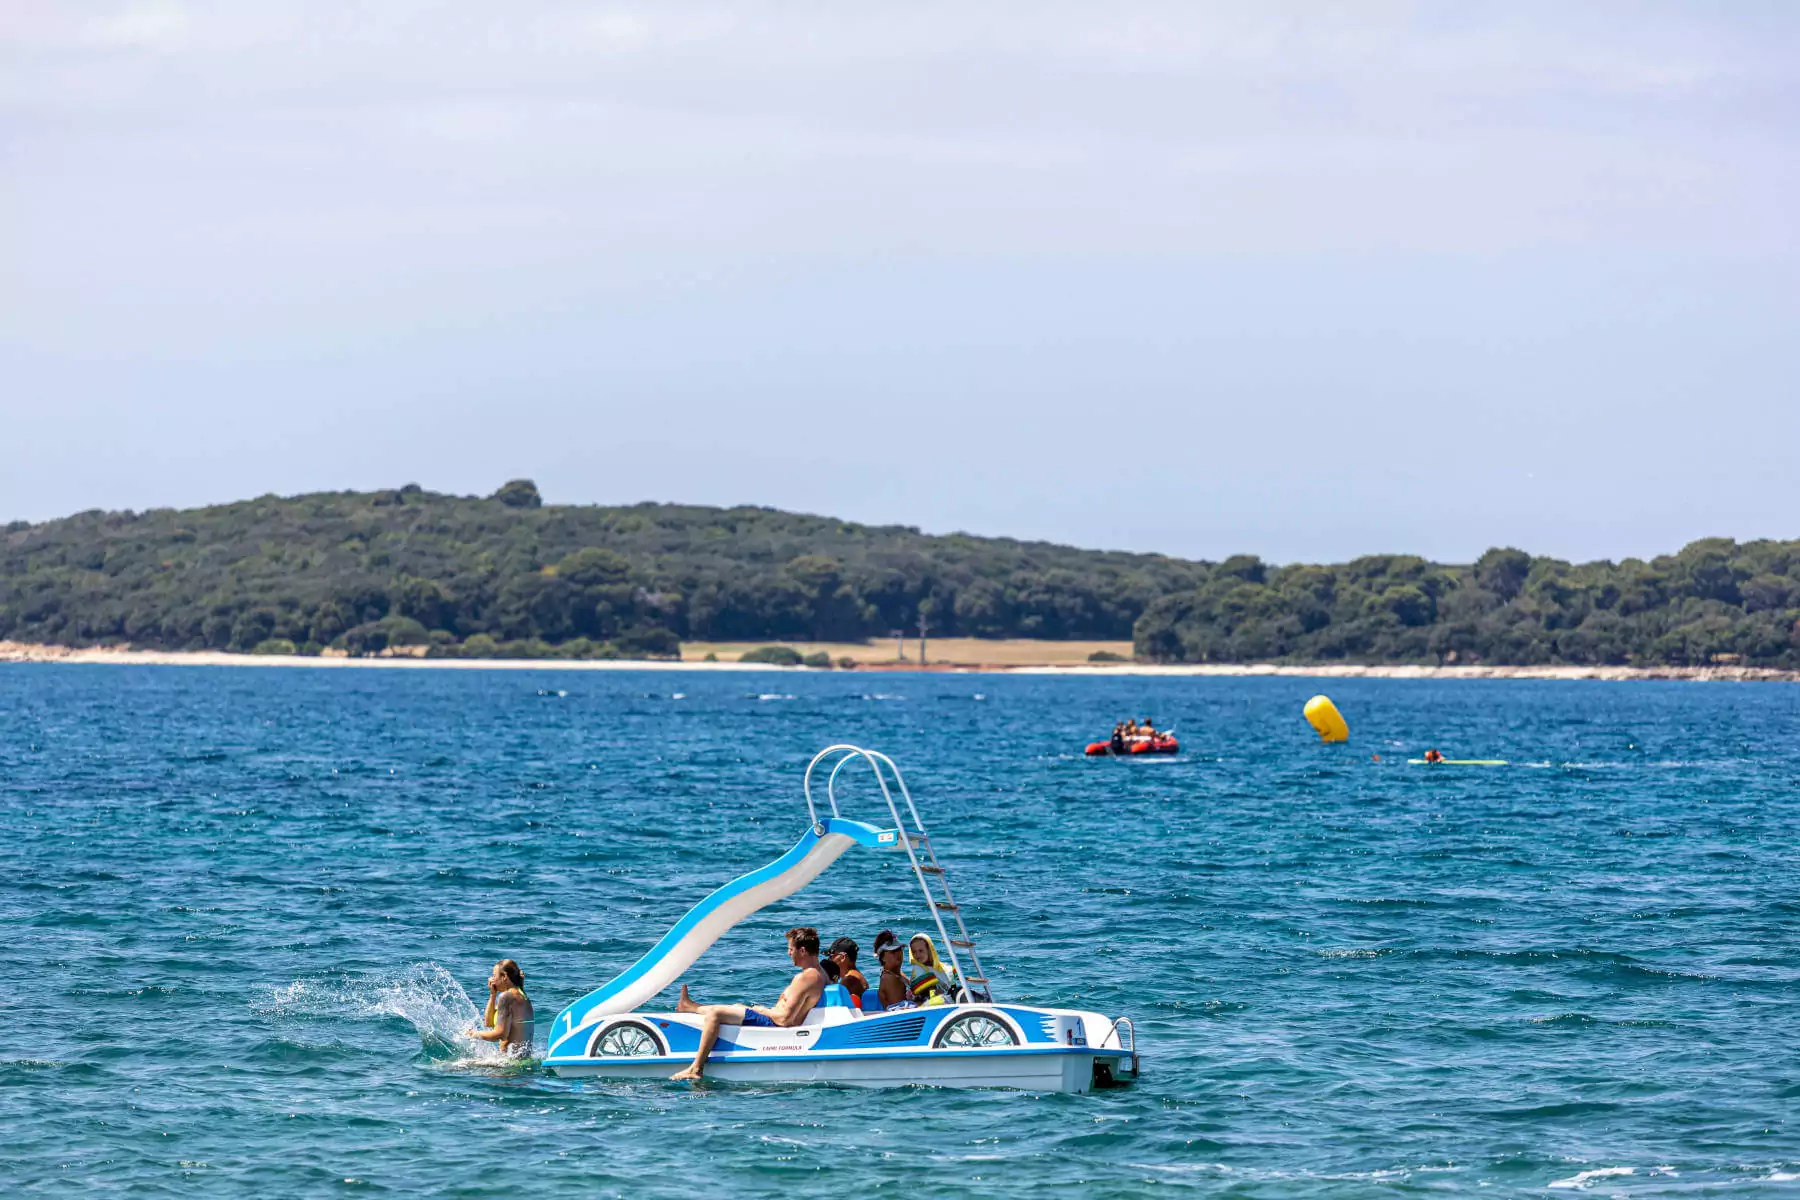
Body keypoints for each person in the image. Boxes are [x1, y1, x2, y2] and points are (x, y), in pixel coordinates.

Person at [669, 926, 826, 1081]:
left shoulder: (805, 977)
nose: (788, 953)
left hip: (775, 1025)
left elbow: (785, 1019)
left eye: (791, 949)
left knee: (715, 1014)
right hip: (774, 1019)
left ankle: (696, 1068)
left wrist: (763, 1010)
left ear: (803, 951)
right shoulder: (820, 973)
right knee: (737, 1007)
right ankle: (689, 1006)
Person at [466, 959, 535, 1055]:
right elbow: (489, 1023)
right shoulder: (521, 994)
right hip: (521, 1060)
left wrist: (474, 1034)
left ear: (504, 977)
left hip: (509, 1063)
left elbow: (501, 1034)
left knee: (452, 1067)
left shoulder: (506, 997)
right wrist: (492, 995)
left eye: (494, 976)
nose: (491, 979)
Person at [907, 932, 960, 1005]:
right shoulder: (918, 969)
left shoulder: (947, 968)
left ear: (929, 949)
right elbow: (925, 995)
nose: (917, 955)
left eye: (921, 951)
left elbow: (955, 985)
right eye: (914, 952)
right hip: (931, 1006)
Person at [872, 929, 911, 1011]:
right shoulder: (890, 979)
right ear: (883, 957)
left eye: (899, 949)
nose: (898, 954)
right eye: (893, 951)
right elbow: (900, 1012)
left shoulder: (897, 973)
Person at [828, 937, 868, 1006]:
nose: (829, 960)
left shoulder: (849, 980)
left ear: (843, 957)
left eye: (831, 956)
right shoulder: (856, 975)